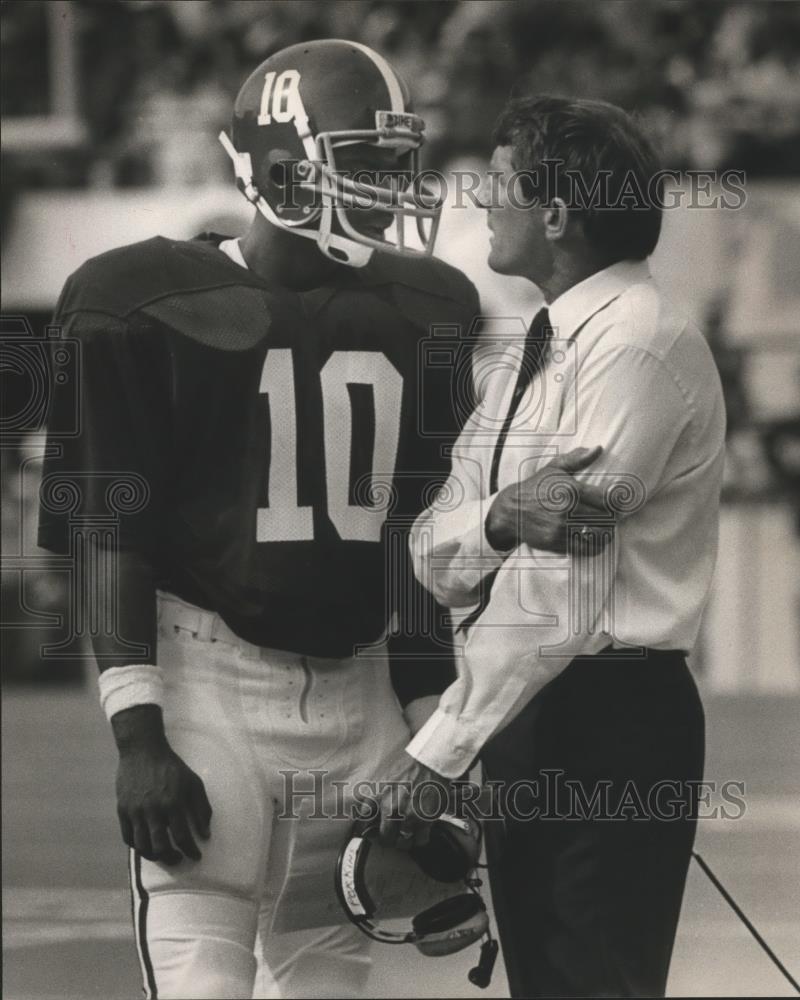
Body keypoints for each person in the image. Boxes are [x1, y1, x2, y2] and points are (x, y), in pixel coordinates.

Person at [37, 39, 478, 1000]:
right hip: (210, 681)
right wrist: (139, 735)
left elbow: (417, 546)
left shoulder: (430, 306)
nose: (389, 186)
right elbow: (108, 527)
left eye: (395, 162)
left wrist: (434, 740)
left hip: (363, 688)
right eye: (363, 161)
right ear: (280, 169)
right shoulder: (139, 300)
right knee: (203, 977)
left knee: (331, 978)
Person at [393, 97, 727, 997]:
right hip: (537, 709)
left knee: (594, 985)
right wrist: (501, 517)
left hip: (609, 710)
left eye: (498, 186)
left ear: (555, 214)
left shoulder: (636, 349)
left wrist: (438, 751)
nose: (481, 205)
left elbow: (556, 594)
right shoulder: (533, 349)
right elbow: (433, 548)